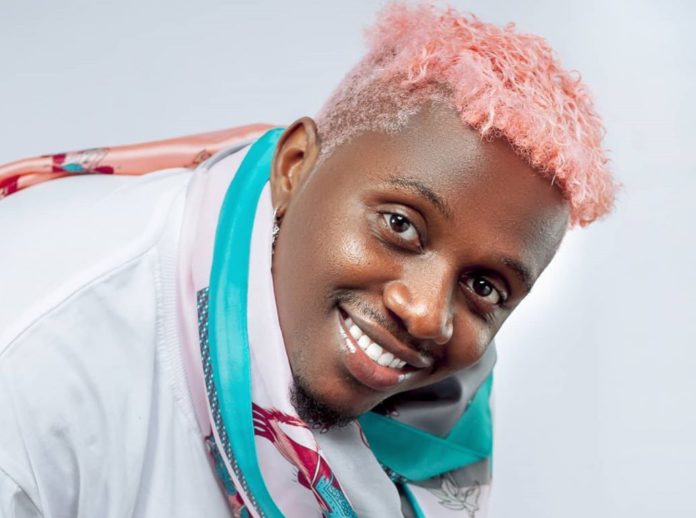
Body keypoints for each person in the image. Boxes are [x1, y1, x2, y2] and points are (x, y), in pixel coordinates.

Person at [0, 3, 616, 517]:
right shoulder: (36, 382)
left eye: (485, 286)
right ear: (295, 168)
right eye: (400, 225)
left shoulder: (446, 409)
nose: (428, 315)